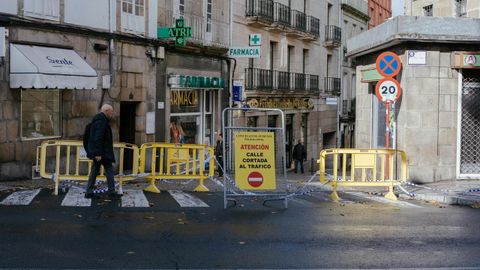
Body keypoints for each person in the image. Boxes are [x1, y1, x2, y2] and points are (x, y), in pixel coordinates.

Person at [85, 104, 122, 199]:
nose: (112, 113)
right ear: (106, 111)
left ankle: (89, 191)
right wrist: (98, 153)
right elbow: (98, 137)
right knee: (108, 170)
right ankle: (111, 191)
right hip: (102, 152)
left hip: (101, 152)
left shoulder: (99, 120)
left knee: (95, 170)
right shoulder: (101, 121)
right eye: (111, 111)